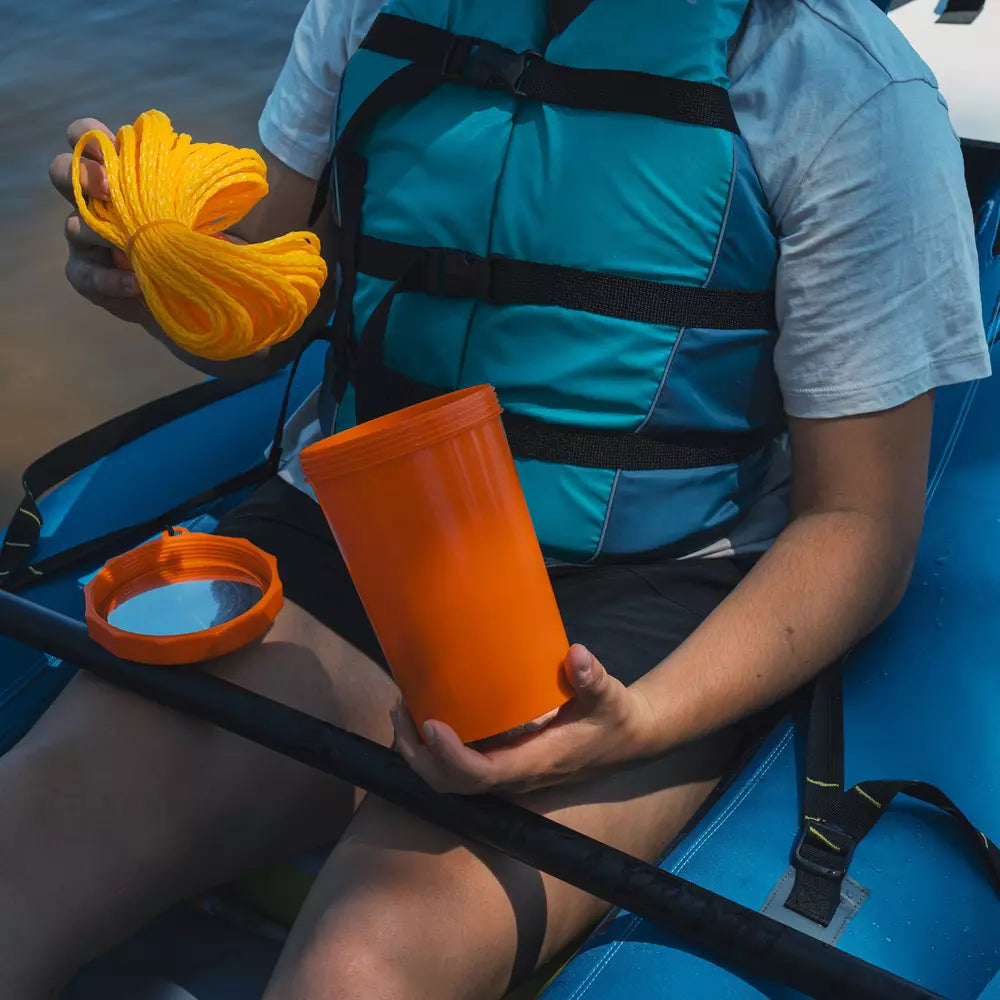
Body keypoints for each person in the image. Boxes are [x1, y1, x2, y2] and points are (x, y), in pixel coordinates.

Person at [2, 0, 992, 997]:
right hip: (342, 532)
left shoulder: (838, 82)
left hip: (640, 600)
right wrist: (156, 275)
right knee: (20, 852)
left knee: (358, 971)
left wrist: (641, 722)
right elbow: (265, 310)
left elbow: (857, 524)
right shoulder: (366, 12)